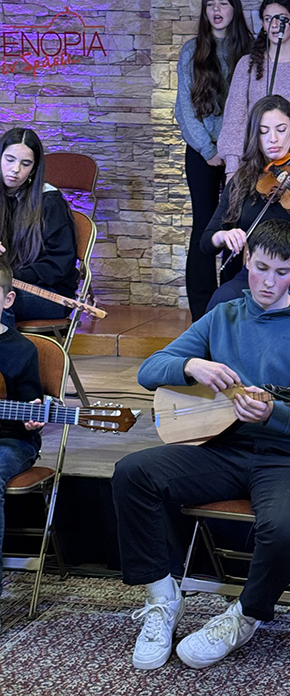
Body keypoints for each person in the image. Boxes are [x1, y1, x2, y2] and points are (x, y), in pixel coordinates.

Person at [111, 219, 290, 672]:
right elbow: (149, 370)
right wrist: (191, 366)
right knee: (133, 473)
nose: (268, 282)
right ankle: (163, 599)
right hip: (224, 450)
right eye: (260, 268)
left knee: (284, 528)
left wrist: (275, 414)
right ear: (246, 260)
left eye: (281, 272)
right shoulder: (224, 315)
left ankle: (245, 615)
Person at [200, 94, 290, 321]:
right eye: (264, 132)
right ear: (255, 137)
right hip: (258, 272)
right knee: (223, 302)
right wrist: (223, 236)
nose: (273, 139)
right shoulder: (242, 181)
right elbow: (206, 242)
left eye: (281, 130)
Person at [175, 0, 253, 321]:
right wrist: (209, 149)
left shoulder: (250, 49)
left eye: (223, 3)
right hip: (203, 153)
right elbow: (184, 108)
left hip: (242, 155)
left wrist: (237, 150)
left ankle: (232, 303)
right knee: (204, 226)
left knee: (237, 225)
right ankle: (201, 314)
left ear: (235, 8)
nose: (216, 10)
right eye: (210, 4)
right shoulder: (192, 50)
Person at [218, 0, 290, 177]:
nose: (275, 24)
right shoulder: (247, 64)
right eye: (268, 19)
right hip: (254, 156)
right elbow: (234, 117)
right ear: (263, 24)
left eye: (281, 18)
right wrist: (232, 166)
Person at [0, 257, 45, 627]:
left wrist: (33, 417)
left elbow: (30, 411)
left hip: (11, 441)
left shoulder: (21, 350)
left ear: (8, 300)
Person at [0, 128, 78, 324]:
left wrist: (11, 276)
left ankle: (9, 345)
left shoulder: (50, 202)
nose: (15, 169)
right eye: (9, 159)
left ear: (34, 169)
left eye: (25, 164)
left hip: (49, 292)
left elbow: (58, 265)